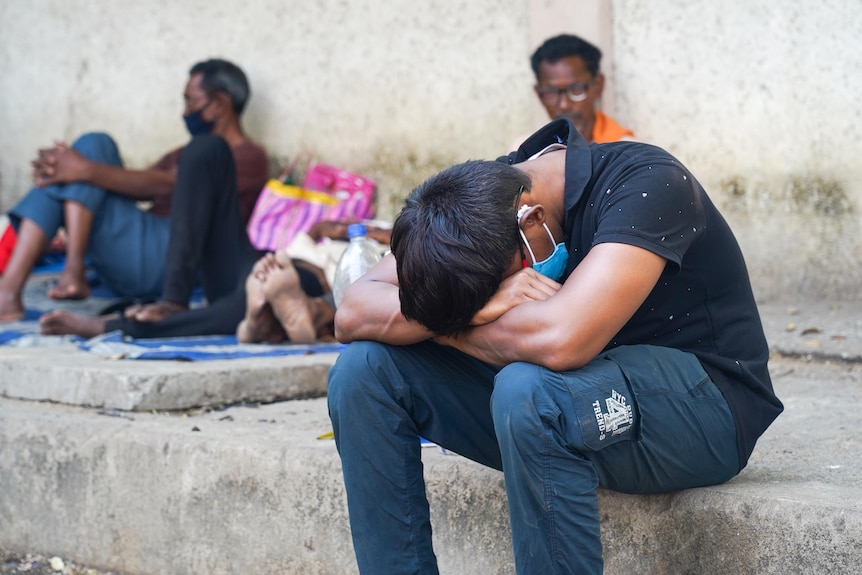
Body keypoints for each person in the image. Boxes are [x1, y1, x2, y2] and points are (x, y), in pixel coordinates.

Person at [327, 118, 783, 574]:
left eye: (497, 288)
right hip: (571, 401)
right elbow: (352, 311)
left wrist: (447, 323)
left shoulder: (647, 183)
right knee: (364, 371)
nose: (498, 304)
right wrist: (477, 308)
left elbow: (564, 340)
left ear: (532, 220)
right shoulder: (476, 202)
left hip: (702, 410)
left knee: (531, 389)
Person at [0, 58, 268, 322]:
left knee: (90, 152)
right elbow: (138, 187)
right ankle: (56, 275)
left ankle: (42, 281)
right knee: (84, 155)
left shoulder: (245, 156)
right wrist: (71, 168)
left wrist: (85, 169)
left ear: (220, 103)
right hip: (138, 252)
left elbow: (174, 185)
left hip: (173, 256)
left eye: (191, 101)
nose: (185, 112)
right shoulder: (182, 152)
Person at [39, 216, 391, 342]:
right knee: (209, 151)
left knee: (259, 291)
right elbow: (317, 228)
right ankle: (267, 315)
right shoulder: (328, 233)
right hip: (266, 262)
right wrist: (334, 226)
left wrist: (381, 233)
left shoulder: (397, 239)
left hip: (308, 279)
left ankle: (271, 316)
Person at [511, 33, 634, 150]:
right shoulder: (525, 153)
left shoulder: (626, 152)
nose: (564, 105)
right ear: (539, 94)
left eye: (576, 89)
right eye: (551, 92)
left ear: (598, 86)